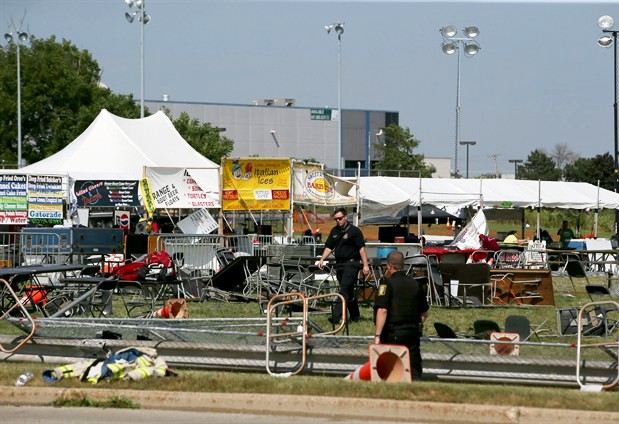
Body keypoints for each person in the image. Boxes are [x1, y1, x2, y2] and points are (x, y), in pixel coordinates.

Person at [373, 250, 429, 379]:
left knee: (392, 368)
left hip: (393, 332)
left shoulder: (386, 284)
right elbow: (425, 313)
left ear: (389, 266)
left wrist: (377, 335)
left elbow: (382, 310)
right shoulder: (416, 284)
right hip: (412, 332)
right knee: (414, 366)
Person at [318, 208, 370, 323]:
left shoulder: (354, 231)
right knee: (349, 290)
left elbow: (361, 249)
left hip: (352, 264)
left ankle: (335, 316)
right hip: (339, 265)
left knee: (344, 290)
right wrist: (322, 259)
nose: (338, 221)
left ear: (345, 217)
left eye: (340, 218)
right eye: (336, 219)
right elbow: (329, 247)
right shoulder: (334, 231)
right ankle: (355, 316)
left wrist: (365, 265)